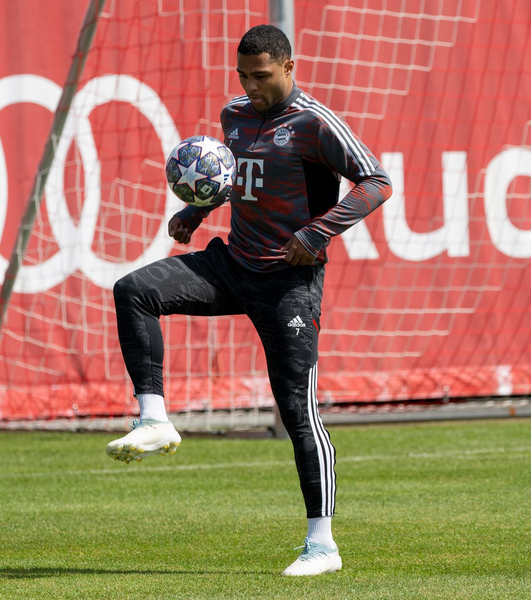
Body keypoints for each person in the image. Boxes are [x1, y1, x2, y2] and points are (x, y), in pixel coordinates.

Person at [107, 24, 392, 576]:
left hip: (288, 281)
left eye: (261, 76)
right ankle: (155, 419)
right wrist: (197, 211)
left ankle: (323, 546)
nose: (251, 86)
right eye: (243, 75)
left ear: (289, 68)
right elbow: (240, 179)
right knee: (134, 290)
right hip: (233, 264)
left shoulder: (314, 123)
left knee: (297, 411)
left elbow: (375, 181)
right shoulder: (234, 115)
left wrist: (318, 233)